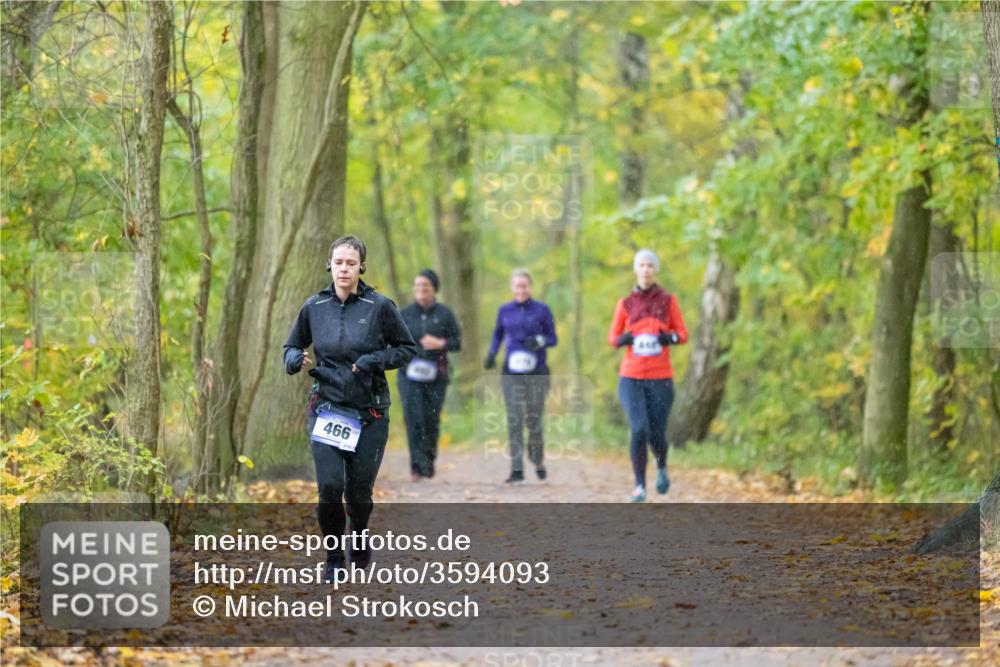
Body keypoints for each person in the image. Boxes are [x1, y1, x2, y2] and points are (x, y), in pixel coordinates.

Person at [283, 235, 416, 578]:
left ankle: (358, 530)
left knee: (358, 495)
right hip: (326, 407)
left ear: (361, 267)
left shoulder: (380, 307)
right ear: (329, 264)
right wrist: (294, 359)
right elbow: (291, 345)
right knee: (329, 488)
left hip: (369, 412)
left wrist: (373, 360)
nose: (344, 269)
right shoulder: (314, 306)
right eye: (339, 262)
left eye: (351, 263)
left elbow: (406, 349)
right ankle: (333, 559)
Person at [607, 249, 688, 502]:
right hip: (630, 377)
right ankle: (639, 486)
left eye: (650, 265)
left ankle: (661, 466)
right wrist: (622, 339)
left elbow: (682, 334)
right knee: (639, 429)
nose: (645, 269)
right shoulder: (625, 304)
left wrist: (669, 338)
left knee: (657, 433)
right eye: (641, 265)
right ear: (635, 269)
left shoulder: (668, 301)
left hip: (661, 378)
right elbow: (612, 337)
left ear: (655, 270)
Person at [484, 268, 557, 483]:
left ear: (530, 287)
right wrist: (491, 354)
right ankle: (516, 470)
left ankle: (537, 459)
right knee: (514, 417)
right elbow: (497, 335)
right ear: (512, 287)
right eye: (517, 286)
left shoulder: (542, 310)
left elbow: (553, 338)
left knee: (533, 419)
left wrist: (539, 341)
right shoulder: (504, 310)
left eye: (524, 286)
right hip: (511, 372)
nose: (521, 290)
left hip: (537, 372)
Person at [397, 269, 462, 481]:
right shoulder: (405, 314)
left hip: (436, 375)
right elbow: (393, 342)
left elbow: (457, 342)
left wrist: (440, 343)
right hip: (408, 375)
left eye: (425, 285)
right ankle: (416, 467)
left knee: (430, 419)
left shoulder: (444, 314)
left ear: (434, 288)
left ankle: (429, 461)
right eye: (417, 285)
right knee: (413, 418)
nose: (421, 289)